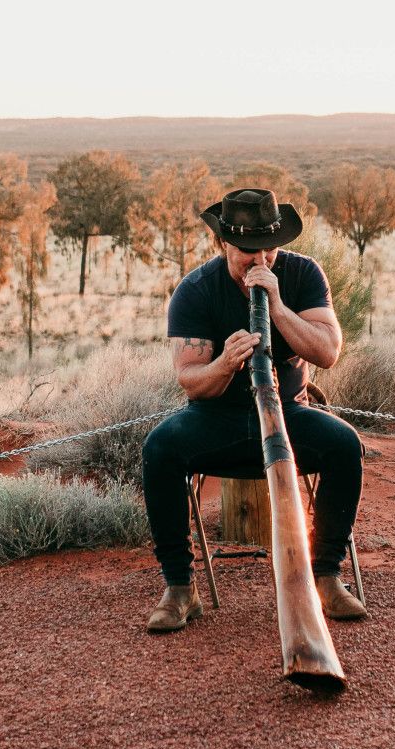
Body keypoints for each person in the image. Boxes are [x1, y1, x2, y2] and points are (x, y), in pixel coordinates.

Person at [140, 186, 366, 634]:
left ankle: (326, 577)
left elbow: (328, 352)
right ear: (223, 244)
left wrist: (278, 307)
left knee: (345, 444)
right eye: (247, 251)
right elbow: (190, 379)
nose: (259, 260)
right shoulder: (196, 289)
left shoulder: (303, 274)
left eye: (268, 249)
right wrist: (224, 364)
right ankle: (180, 587)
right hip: (216, 420)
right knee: (159, 448)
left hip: (288, 414)